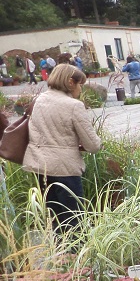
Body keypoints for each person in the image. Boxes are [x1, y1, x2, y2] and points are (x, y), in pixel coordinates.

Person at [22, 64, 102, 233]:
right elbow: (93, 145)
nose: (81, 89)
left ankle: (60, 250)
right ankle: (76, 250)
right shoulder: (73, 106)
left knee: (56, 221)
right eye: (80, 84)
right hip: (65, 169)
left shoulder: (39, 100)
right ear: (70, 82)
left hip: (41, 168)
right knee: (74, 222)